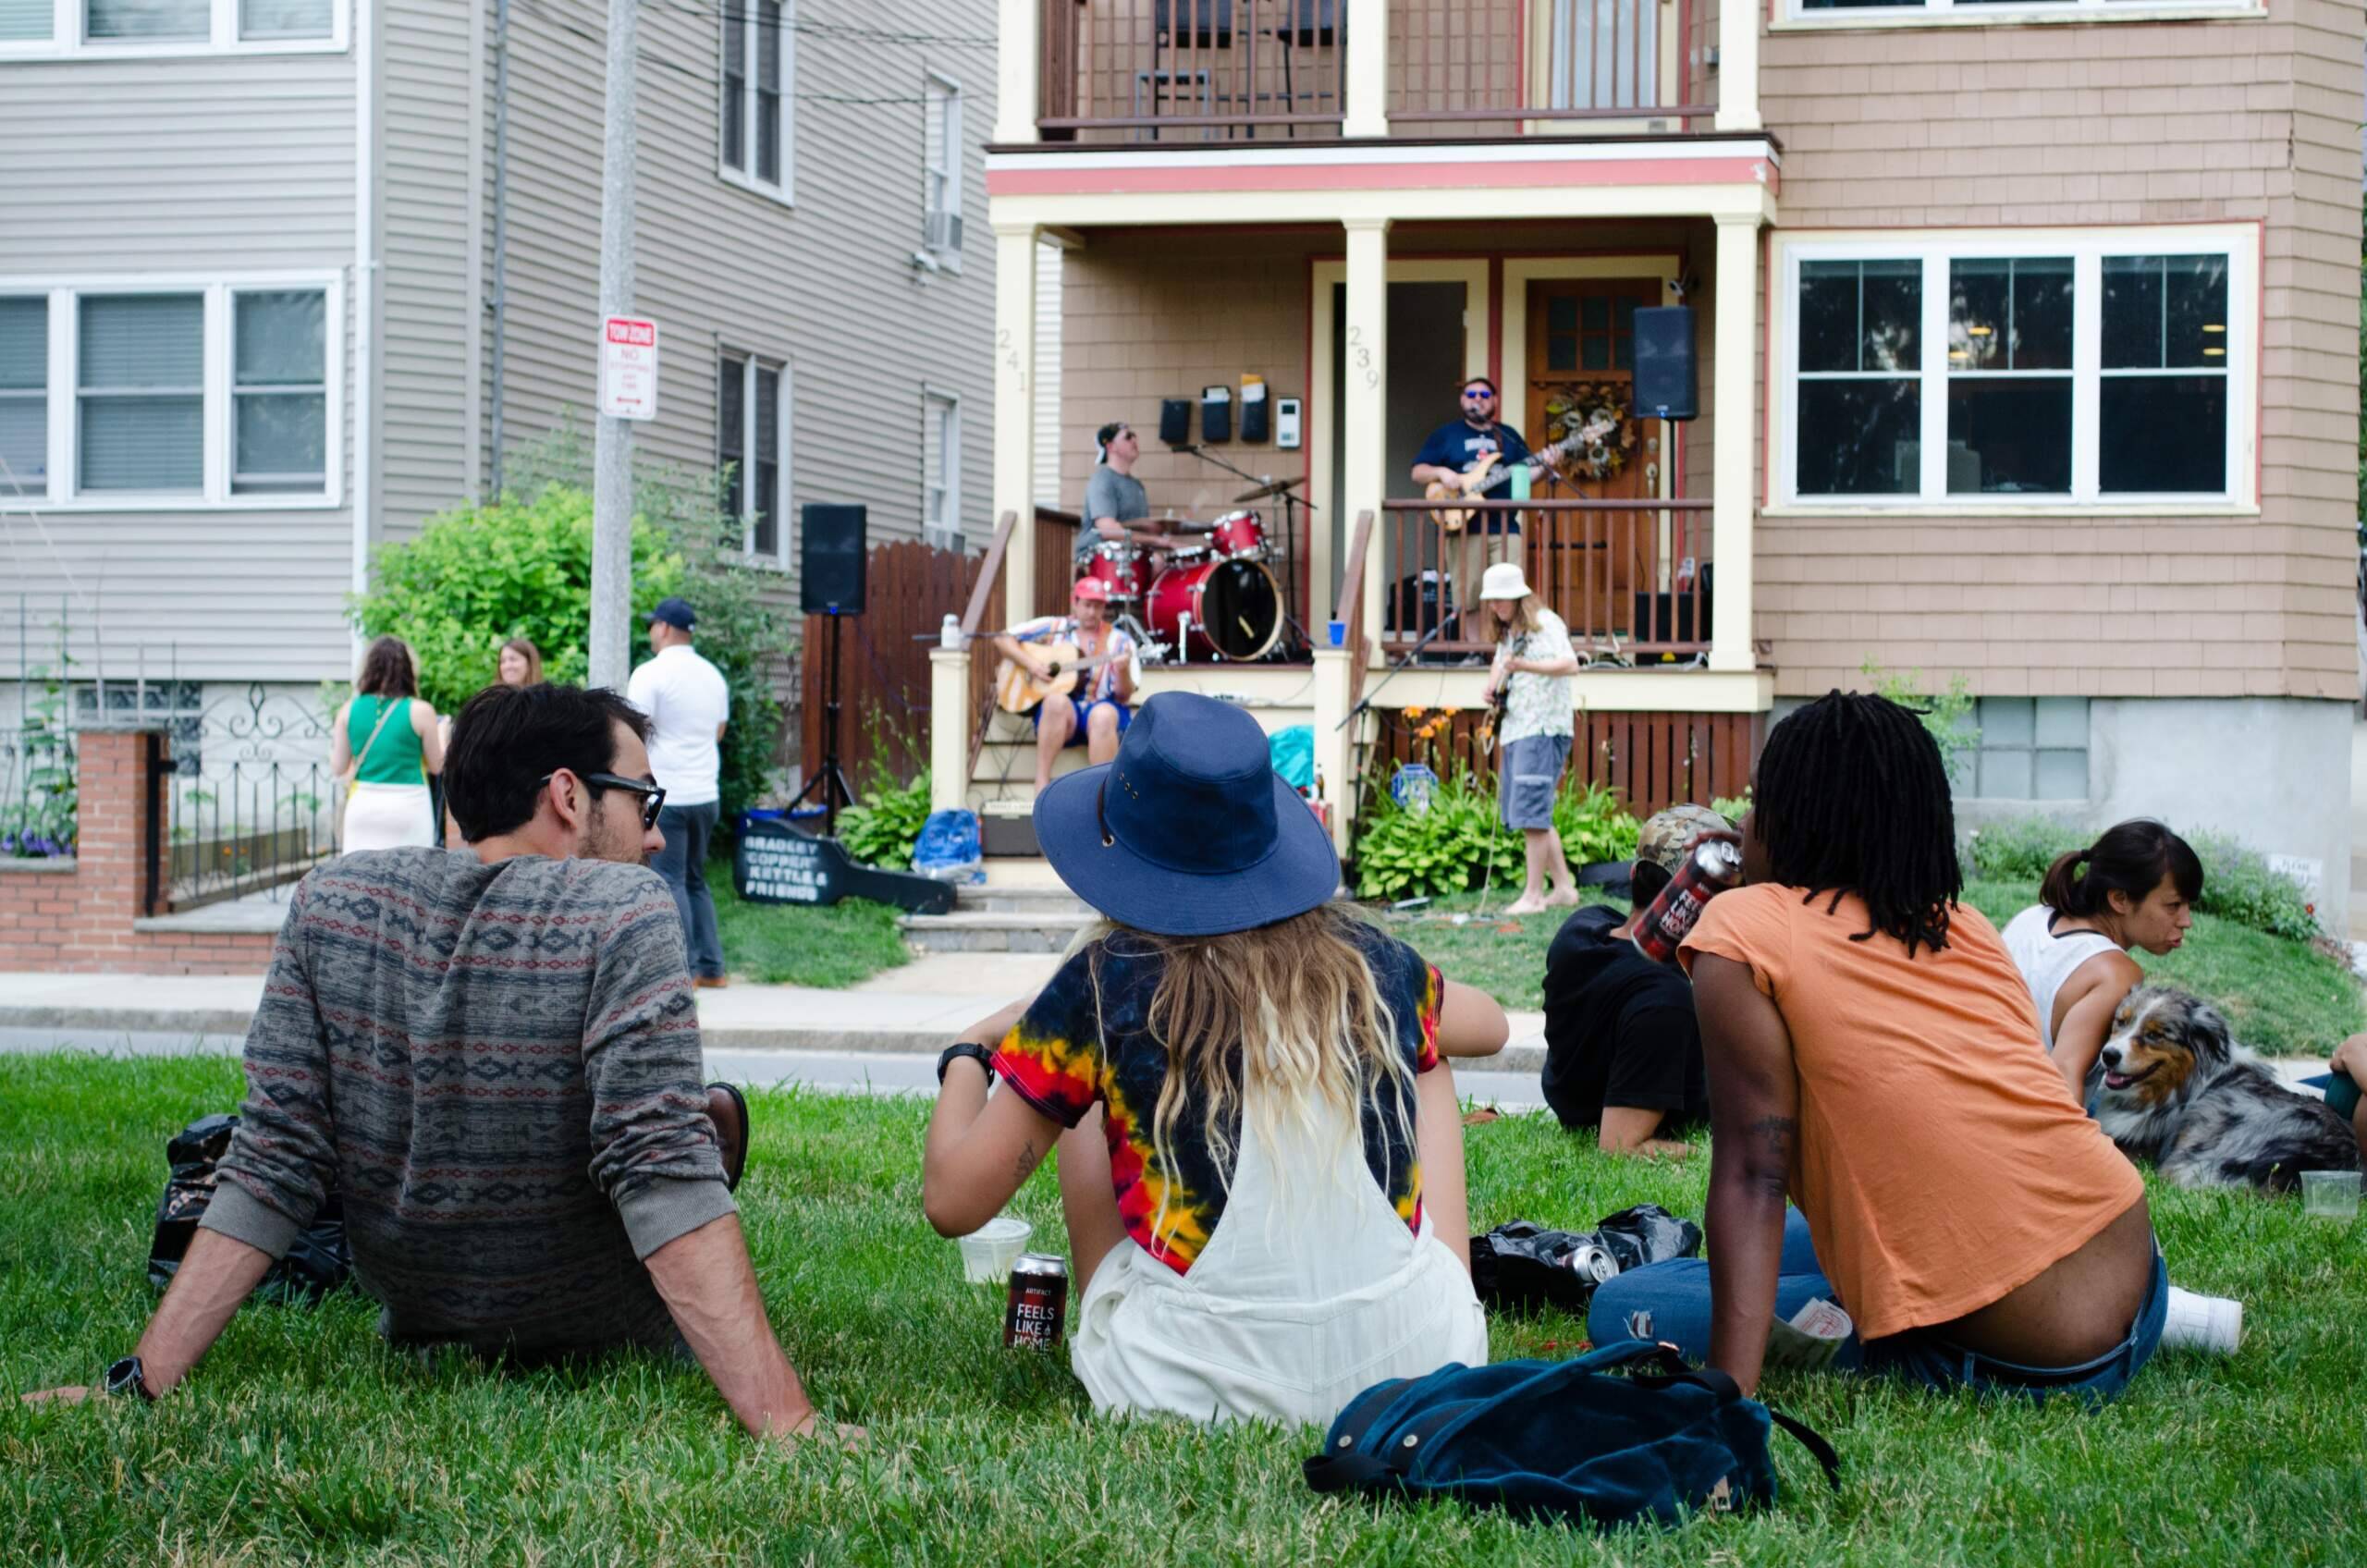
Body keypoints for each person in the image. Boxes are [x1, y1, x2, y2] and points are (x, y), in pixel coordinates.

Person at [22, 683, 849, 1445]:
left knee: (706, 1112)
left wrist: (139, 1382)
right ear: (568, 795)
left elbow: (273, 1157)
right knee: (711, 1118)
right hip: (596, 1327)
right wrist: (790, 1424)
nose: (659, 833)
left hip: (421, 1323)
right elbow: (657, 1166)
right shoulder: (624, 910)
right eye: (644, 800)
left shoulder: (332, 902)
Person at [922, 692, 1506, 1427]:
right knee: (1432, 1058)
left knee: (1082, 1089)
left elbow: (952, 1201)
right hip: (1422, 1361)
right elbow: (1489, 1027)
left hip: (1186, 1383)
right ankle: (1435, 1289)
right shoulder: (1372, 963)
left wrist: (971, 1053)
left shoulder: (1104, 984)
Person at [1588, 692, 2165, 1403]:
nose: (1741, 823)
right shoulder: (1963, 923)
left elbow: (1752, 1175)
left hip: (2021, 1355)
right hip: (2131, 1265)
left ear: (1801, 820)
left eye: (1759, 801)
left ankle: (1865, 1317)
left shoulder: (1743, 927)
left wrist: (1728, 1391)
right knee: (1818, 1234)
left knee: (1627, 1299)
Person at [1539, 804, 1731, 1157]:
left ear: (1633, 874)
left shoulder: (1581, 930)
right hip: (1614, 1113)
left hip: (1571, 1096)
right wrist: (1708, 1152)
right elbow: (1617, 1146)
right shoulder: (1663, 1001)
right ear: (1698, 903)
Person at [2001, 820, 2201, 1097]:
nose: (2186, 921)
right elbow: (2063, 1074)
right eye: (2173, 905)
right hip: (2017, 1114)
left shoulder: (2030, 918)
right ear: (2119, 899)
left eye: (2189, 906)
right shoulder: (2116, 973)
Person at [627, 597, 730, 990]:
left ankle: (682, 972)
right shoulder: (712, 675)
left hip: (667, 792)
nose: (651, 632)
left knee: (670, 880)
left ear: (665, 628)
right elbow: (718, 731)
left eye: (654, 625)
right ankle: (712, 967)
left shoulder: (651, 674)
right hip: (706, 792)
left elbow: (634, 731)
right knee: (696, 879)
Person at [1477, 561, 1580, 915]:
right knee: (1534, 810)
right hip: (1518, 728)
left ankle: (1534, 896)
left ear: (1518, 597)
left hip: (1543, 727)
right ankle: (1564, 888)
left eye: (1500, 600)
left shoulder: (1546, 624)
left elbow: (1570, 664)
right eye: (1491, 600)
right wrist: (1492, 688)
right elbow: (1501, 664)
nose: (1494, 606)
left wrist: (1526, 667)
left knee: (1532, 812)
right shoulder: (1510, 634)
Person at [991, 578, 1138, 791]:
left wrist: (1123, 670)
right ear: (1074, 603)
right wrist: (1032, 665)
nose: (1091, 612)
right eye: (1087, 605)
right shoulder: (1055, 627)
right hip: (1065, 714)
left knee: (1103, 715)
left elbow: (1124, 696)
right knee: (1055, 702)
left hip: (1101, 709)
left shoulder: (1121, 642)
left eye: (1097, 606)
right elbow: (1002, 638)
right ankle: (1042, 781)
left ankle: (1104, 792)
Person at [1409, 376, 1532, 626]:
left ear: (1494, 401)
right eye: (1471, 395)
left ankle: (1507, 650)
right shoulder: (1446, 435)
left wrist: (1549, 461)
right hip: (1464, 526)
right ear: (1462, 401)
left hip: (1505, 525)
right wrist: (1442, 473)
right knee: (1469, 594)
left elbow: (1528, 473)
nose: (1478, 399)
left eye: (1484, 395)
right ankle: (1475, 652)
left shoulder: (1507, 435)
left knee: (1511, 590)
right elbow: (1417, 472)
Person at [333, 635, 444, 852]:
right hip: (409, 806)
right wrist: (443, 735)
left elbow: (338, 767)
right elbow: (436, 766)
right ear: (408, 669)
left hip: (363, 806)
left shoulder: (348, 709)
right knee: (410, 879)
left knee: (359, 880)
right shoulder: (421, 711)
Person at [442, 636, 546, 843]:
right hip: (496, 788)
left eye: (513, 659)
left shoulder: (545, 702)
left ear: (529, 661)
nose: (507, 665)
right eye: (503, 660)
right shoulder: (489, 702)